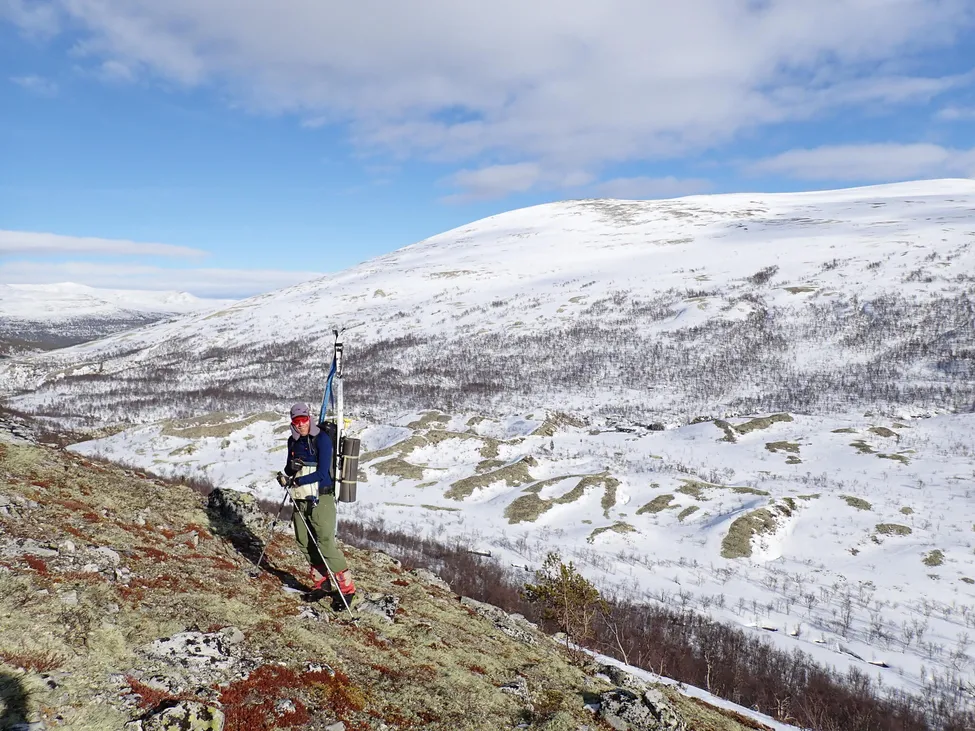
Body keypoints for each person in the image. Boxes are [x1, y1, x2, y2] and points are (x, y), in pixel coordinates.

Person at [283, 402, 356, 606]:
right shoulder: (292, 441)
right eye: (297, 421)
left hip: (321, 498)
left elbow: (323, 473)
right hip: (300, 498)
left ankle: (347, 590)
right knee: (303, 541)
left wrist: (298, 480)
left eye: (303, 420)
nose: (301, 425)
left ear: (309, 418)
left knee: (325, 543)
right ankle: (321, 585)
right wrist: (289, 471)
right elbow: (288, 469)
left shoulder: (322, 440)